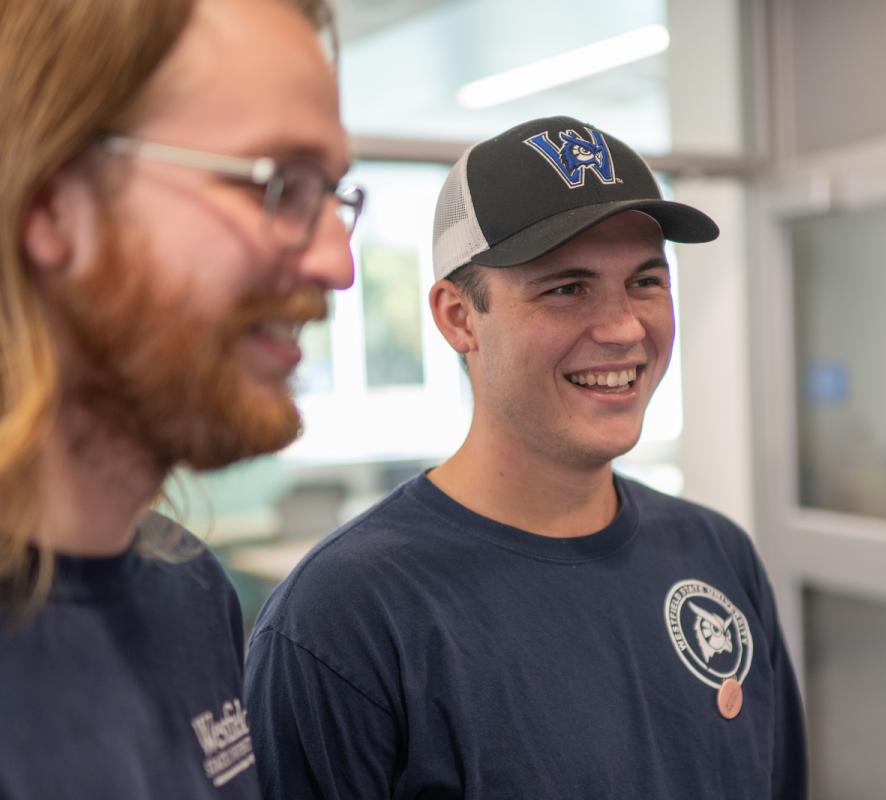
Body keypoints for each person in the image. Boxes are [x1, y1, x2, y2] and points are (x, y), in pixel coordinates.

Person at [245, 115, 808, 799]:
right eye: (566, 288)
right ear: (458, 317)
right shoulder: (346, 619)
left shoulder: (716, 556)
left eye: (645, 282)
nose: (624, 327)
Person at [0, 0, 360, 797]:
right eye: (281, 185)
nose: (339, 263)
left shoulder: (190, 595)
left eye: (336, 194)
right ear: (53, 205)